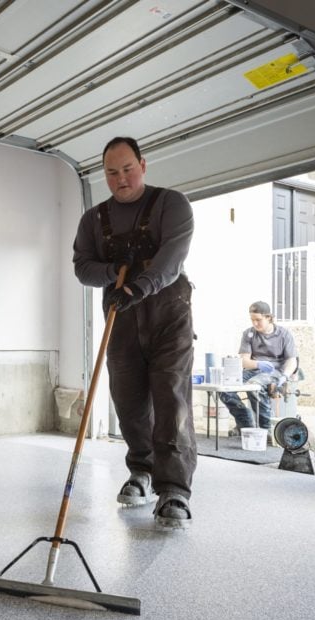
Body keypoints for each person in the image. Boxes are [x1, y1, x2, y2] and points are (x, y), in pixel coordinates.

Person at [72, 136, 197, 529]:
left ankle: (174, 490)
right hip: (120, 316)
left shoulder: (171, 204)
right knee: (128, 400)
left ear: (143, 165)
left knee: (171, 398)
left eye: (127, 169)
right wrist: (112, 273)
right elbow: (82, 266)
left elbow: (171, 258)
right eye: (112, 173)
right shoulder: (93, 219)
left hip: (168, 314)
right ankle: (141, 471)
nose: (121, 178)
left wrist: (138, 286)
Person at [219, 301, 298, 434]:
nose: (255, 323)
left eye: (258, 320)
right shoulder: (248, 334)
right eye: (252, 320)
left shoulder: (284, 335)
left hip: (275, 371)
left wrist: (284, 376)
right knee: (224, 387)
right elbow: (244, 361)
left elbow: (292, 360)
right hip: (253, 369)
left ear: (269, 317)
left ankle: (265, 430)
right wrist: (258, 364)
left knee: (254, 385)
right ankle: (245, 423)